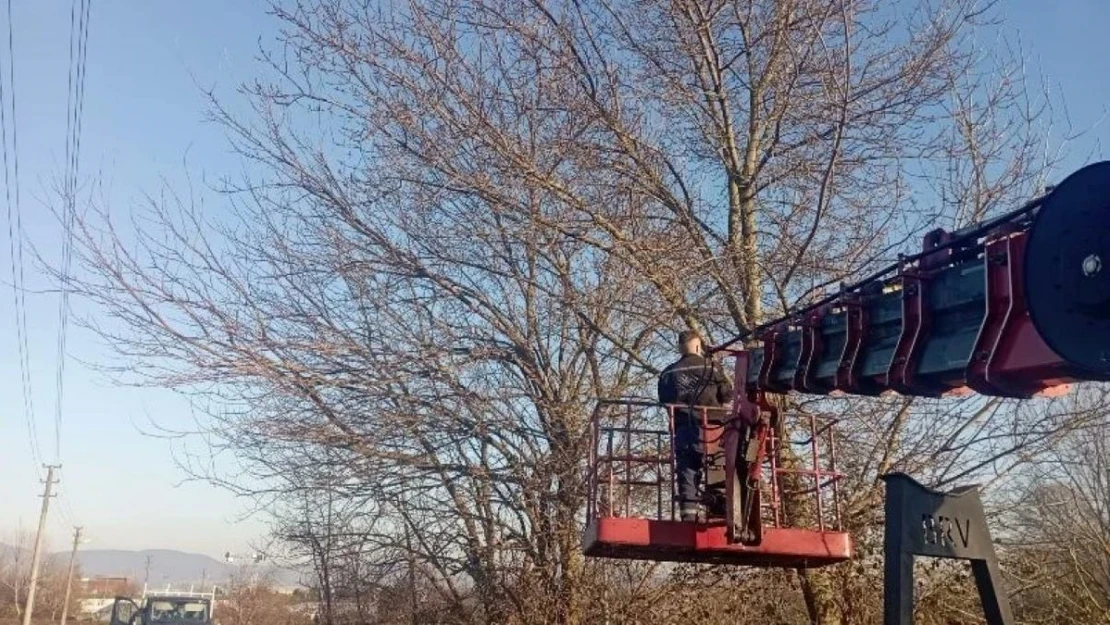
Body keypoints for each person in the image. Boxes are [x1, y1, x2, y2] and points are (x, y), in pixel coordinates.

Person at [657, 329, 734, 521]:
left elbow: (665, 401)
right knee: (717, 464)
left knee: (687, 468)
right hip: (714, 427)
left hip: (684, 427)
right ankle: (720, 512)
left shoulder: (668, 372)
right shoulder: (713, 369)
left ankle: (688, 516)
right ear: (698, 345)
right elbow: (727, 394)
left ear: (679, 347)